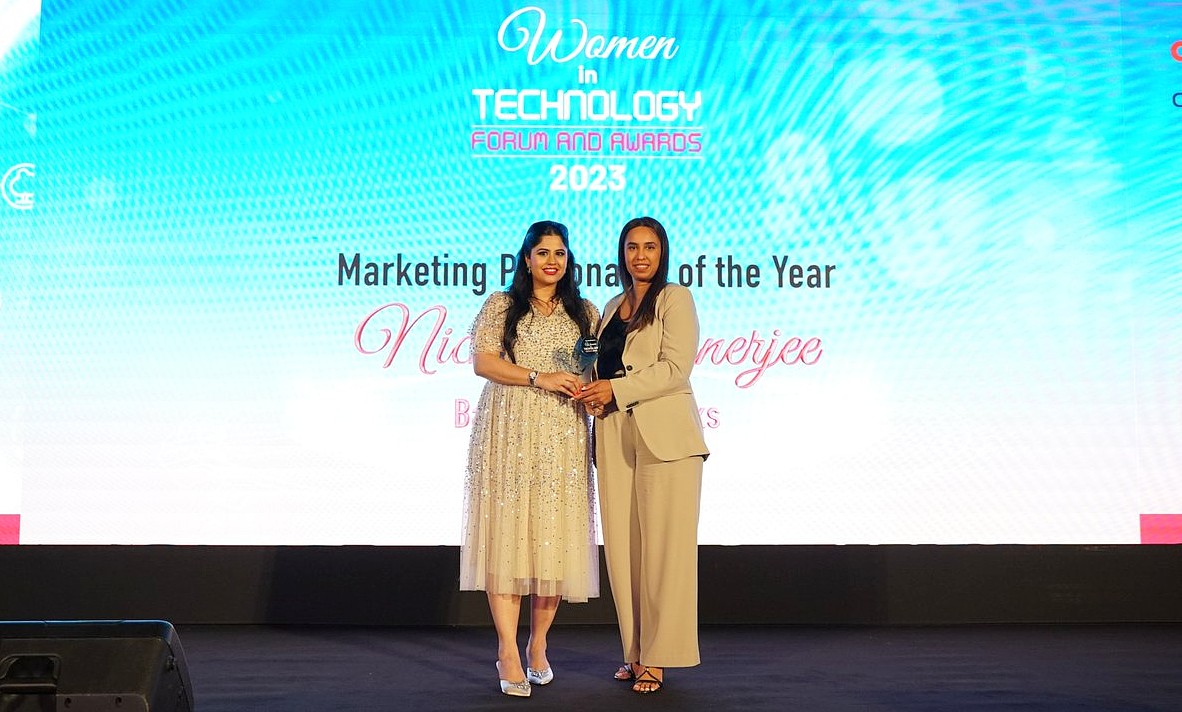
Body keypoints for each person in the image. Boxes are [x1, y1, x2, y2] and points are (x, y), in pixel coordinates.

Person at [459, 220, 601, 698]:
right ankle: (506, 649)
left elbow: (591, 367)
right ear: (526, 259)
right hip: (509, 427)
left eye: (560, 253)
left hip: (563, 432)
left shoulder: (586, 310)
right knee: (507, 537)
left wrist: (588, 389)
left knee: (552, 537)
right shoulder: (502, 305)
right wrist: (540, 377)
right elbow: (484, 361)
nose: (552, 261)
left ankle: (538, 644)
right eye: (543, 252)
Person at [573, 216, 709, 694]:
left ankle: (660, 656)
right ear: (622, 252)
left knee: (664, 553)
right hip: (613, 432)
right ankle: (633, 652)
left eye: (650, 246)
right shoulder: (612, 305)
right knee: (625, 552)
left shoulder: (675, 298)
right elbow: (600, 364)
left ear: (663, 251)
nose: (640, 255)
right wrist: (590, 389)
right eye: (632, 247)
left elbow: (675, 368)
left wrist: (615, 388)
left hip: (666, 437)